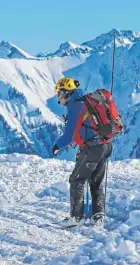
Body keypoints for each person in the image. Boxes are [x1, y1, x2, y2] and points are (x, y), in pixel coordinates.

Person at [51, 77, 113, 228]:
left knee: (76, 180)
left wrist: (57, 146)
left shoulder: (75, 106)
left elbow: (69, 134)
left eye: (60, 94)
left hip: (93, 148)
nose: (59, 98)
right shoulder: (86, 101)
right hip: (105, 145)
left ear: (67, 93)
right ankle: (98, 216)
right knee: (96, 180)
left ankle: (76, 217)